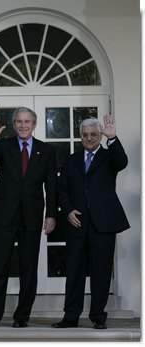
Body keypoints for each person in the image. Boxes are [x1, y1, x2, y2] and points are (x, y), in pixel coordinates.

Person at [0, 107, 57, 328]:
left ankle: (21, 317)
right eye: (19, 122)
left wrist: (51, 214)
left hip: (32, 217)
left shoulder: (47, 151)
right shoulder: (3, 146)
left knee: (28, 268)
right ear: (13, 125)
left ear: (34, 124)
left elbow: (52, 186)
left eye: (27, 122)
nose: (23, 125)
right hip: (4, 214)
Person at [51, 115, 130, 329]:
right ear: (80, 136)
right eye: (85, 135)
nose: (89, 138)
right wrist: (67, 211)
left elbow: (122, 162)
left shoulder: (109, 156)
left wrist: (112, 138)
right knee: (74, 271)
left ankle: (97, 316)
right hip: (76, 224)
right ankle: (71, 317)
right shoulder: (70, 160)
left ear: (100, 135)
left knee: (101, 272)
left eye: (94, 134)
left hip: (103, 224)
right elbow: (61, 190)